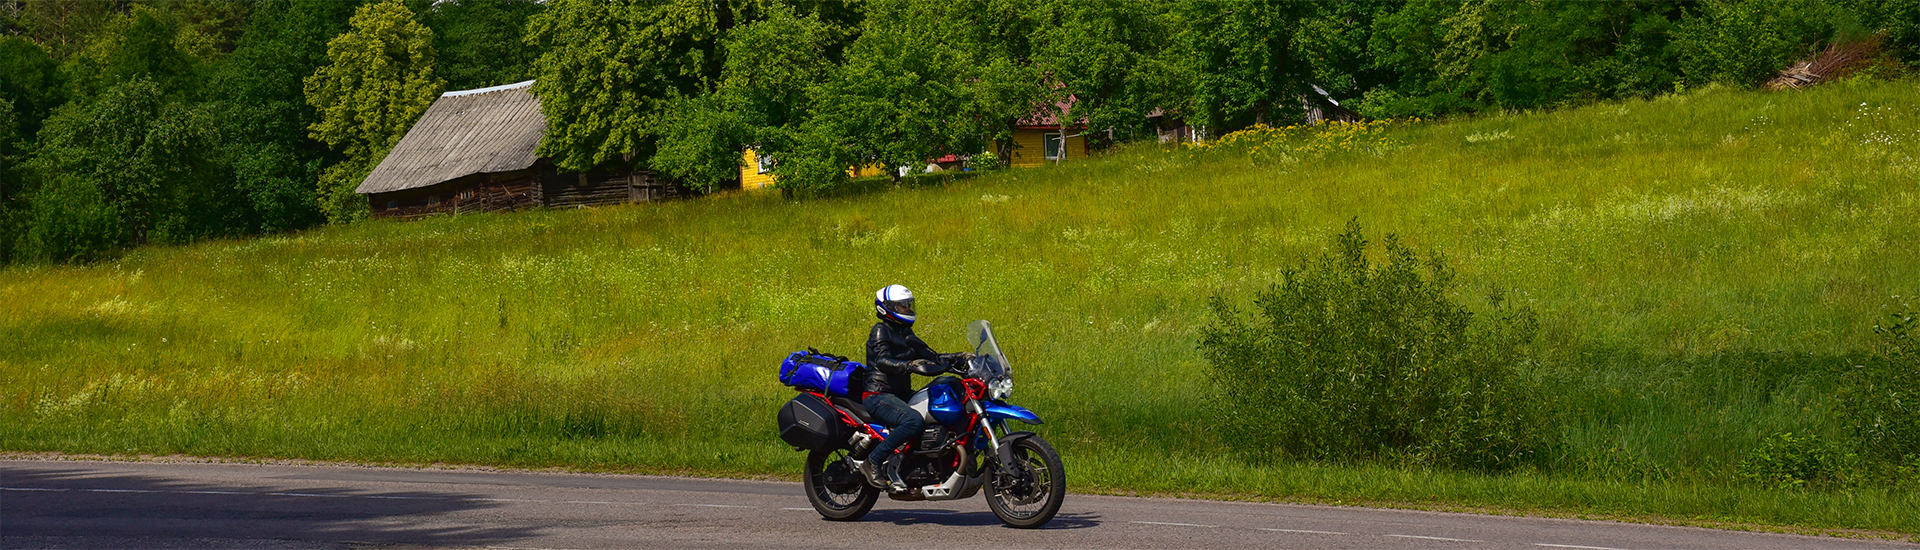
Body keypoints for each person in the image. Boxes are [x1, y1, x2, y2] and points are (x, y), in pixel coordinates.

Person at [856, 284, 970, 492]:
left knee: (933, 412)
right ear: (887, 308)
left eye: (908, 305)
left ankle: (910, 465)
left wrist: (959, 358)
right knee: (913, 420)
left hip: (899, 393)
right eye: (902, 306)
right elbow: (882, 360)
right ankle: (872, 462)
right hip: (878, 393)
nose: (907, 309)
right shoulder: (880, 330)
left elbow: (930, 355)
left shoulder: (905, 332)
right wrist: (908, 365)